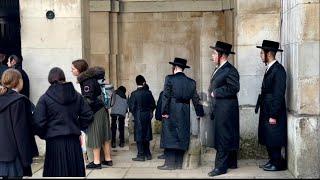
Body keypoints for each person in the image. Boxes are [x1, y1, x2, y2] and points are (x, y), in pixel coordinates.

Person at [32, 67, 93, 177]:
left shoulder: (45, 98)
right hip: (72, 141)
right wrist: (76, 126)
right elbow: (88, 115)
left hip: (54, 142)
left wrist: (45, 134)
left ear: (50, 79)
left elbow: (37, 122)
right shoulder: (77, 96)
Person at [158, 57, 204, 170]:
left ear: (175, 67)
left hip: (172, 109)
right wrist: (200, 112)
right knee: (182, 135)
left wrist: (164, 111)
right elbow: (196, 99)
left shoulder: (169, 78)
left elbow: (166, 96)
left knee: (170, 135)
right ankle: (178, 163)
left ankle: (169, 164)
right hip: (185, 110)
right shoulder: (191, 82)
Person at [207, 41, 240, 177]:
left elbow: (234, 88)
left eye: (214, 53)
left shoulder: (230, 70)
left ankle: (220, 167)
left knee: (223, 136)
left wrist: (216, 92)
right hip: (220, 107)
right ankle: (231, 162)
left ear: (222, 55)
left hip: (226, 109)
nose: (212, 55)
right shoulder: (219, 68)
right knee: (225, 134)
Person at [73, 59, 113, 169]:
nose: (72, 71)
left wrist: (81, 111)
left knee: (94, 135)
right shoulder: (92, 79)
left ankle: (96, 162)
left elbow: (89, 100)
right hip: (102, 109)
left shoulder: (87, 81)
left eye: (73, 69)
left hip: (95, 111)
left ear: (79, 69)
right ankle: (108, 159)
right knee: (105, 135)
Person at [0, 69, 39, 178]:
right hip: (14, 156)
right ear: (19, 81)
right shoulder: (19, 101)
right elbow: (21, 132)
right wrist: (26, 159)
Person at [255, 40, 287, 171]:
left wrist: (273, 114)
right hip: (266, 107)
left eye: (262, 52)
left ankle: (277, 163)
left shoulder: (278, 70)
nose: (260, 55)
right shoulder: (270, 68)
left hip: (274, 110)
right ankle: (272, 160)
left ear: (269, 54)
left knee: (274, 136)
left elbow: (279, 94)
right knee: (268, 136)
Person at [129, 75, 156, 161]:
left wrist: (135, 113)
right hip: (147, 115)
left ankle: (141, 155)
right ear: (144, 82)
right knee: (146, 133)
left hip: (138, 115)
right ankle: (148, 154)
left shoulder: (134, 94)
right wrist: (150, 111)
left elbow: (131, 107)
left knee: (139, 134)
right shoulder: (149, 93)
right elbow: (153, 105)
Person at [155, 91, 166, 159]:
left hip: (166, 117)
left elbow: (160, 105)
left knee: (166, 135)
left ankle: (167, 152)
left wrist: (158, 116)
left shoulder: (163, 93)